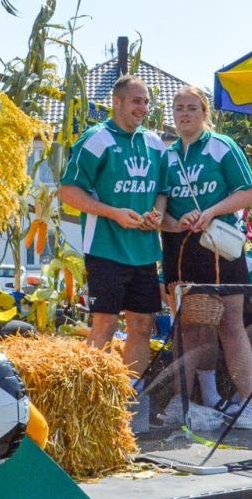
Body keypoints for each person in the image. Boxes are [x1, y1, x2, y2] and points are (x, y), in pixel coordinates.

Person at [158, 86, 252, 432]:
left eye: (191, 108)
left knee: (230, 323)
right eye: (178, 109)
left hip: (221, 246)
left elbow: (248, 192)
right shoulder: (166, 156)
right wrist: (176, 222)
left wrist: (212, 212)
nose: (185, 114)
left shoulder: (222, 146)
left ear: (204, 113)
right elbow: (161, 209)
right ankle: (180, 401)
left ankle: (248, 403)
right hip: (181, 249)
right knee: (187, 328)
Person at [58, 75, 169, 376]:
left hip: (145, 252)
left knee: (143, 325)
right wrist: (113, 212)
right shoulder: (96, 139)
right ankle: (89, 402)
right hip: (105, 249)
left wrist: (157, 215)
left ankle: (132, 399)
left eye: (146, 102)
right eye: (136, 101)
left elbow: (162, 191)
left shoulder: (155, 143)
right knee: (105, 324)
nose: (143, 108)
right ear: (116, 102)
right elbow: (68, 191)